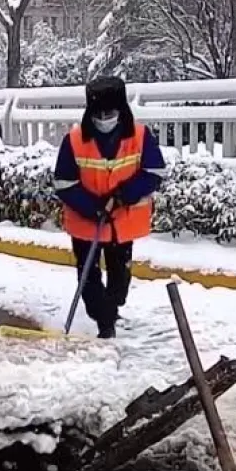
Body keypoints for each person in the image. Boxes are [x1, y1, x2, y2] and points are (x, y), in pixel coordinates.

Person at [54, 75, 166, 338]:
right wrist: (92, 206)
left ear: (121, 110)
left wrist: (124, 194)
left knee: (119, 278)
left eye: (110, 112)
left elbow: (154, 172)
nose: (104, 118)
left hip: (122, 222)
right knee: (88, 279)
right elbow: (63, 181)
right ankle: (104, 323)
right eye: (99, 113)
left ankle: (112, 308)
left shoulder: (139, 136)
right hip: (86, 223)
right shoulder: (74, 139)